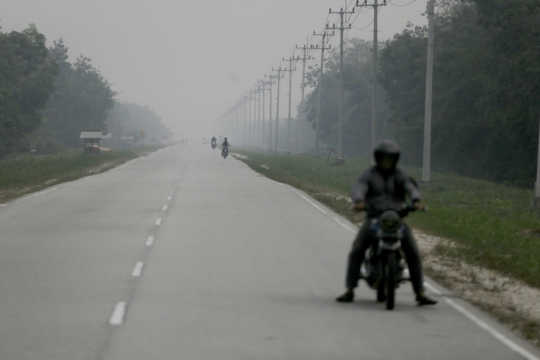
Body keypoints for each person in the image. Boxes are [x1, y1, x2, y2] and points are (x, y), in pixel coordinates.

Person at [336, 140, 437, 306]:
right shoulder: (369, 174)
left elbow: (410, 187)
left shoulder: (401, 175)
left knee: (413, 252)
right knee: (357, 249)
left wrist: (416, 200)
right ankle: (349, 290)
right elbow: (359, 187)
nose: (387, 161)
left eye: (390, 158)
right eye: (384, 158)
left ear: (395, 159)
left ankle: (420, 292)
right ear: (378, 158)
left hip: (396, 219)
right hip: (375, 218)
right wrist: (359, 200)